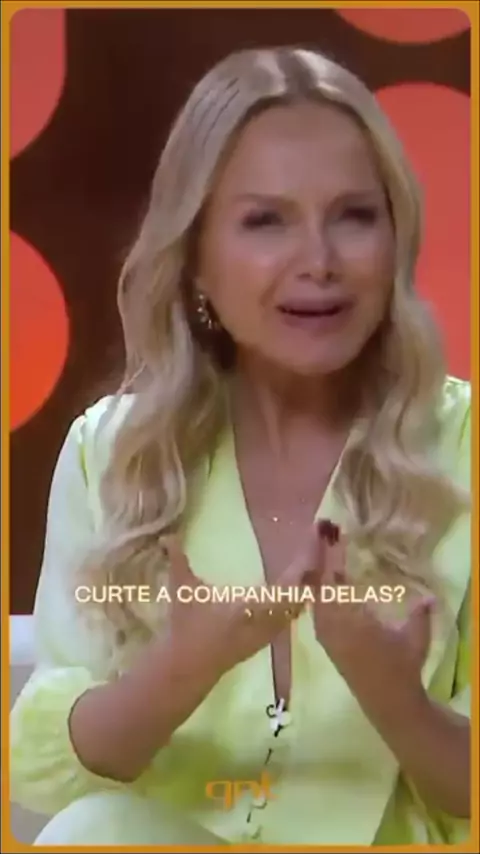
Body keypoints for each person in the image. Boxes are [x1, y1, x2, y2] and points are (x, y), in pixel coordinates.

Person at [10, 45, 471, 846]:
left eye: (354, 216)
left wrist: (397, 699)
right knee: (92, 831)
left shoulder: (461, 446)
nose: (320, 262)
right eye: (266, 221)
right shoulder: (111, 454)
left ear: (396, 240)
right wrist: (182, 668)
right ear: (195, 259)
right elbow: (45, 775)